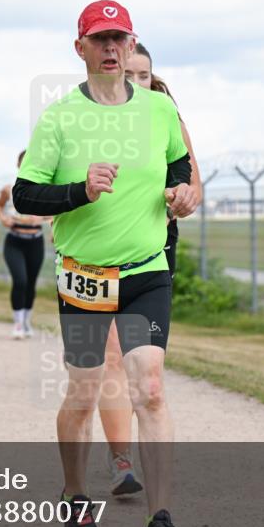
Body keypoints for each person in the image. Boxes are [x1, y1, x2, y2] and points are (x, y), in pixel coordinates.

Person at [13, 0, 198, 527]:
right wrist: (80, 192)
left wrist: (181, 194)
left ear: (132, 43)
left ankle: (161, 520)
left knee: (151, 388)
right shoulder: (60, 117)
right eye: (100, 39)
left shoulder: (159, 110)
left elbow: (177, 169)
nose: (111, 48)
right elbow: (25, 195)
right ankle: (73, 493)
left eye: (120, 38)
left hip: (146, 270)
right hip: (85, 278)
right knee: (86, 391)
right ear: (81, 49)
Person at [92, 42, 204, 497]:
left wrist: (183, 198)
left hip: (154, 246)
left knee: (146, 368)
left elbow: (194, 187)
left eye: (144, 76)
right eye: (129, 73)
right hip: (97, 249)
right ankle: (121, 461)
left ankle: (146, 456)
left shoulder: (167, 119)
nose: (134, 82)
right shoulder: (89, 117)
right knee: (112, 356)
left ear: (153, 79)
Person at [0, 150, 47, 338]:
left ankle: (26, 321)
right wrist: (2, 218)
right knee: (20, 280)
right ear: (18, 165)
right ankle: (17, 323)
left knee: (31, 283)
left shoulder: (44, 189)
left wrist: (45, 218)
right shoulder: (9, 189)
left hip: (36, 242)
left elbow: (54, 213)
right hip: (14, 241)